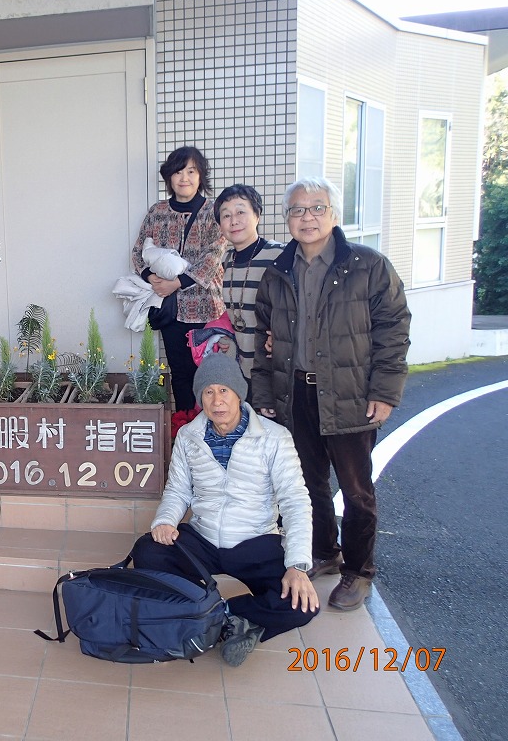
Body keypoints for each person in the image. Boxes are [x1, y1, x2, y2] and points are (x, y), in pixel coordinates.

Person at [251, 176, 411, 611]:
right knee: (307, 483)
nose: (307, 217)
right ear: (287, 219)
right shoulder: (278, 272)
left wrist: (384, 392)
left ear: (334, 214)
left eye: (317, 207)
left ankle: (359, 571)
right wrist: (265, 393)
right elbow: (264, 339)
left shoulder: (368, 266)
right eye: (298, 210)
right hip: (295, 394)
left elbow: (393, 331)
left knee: (357, 490)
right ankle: (324, 550)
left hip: (350, 394)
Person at [131, 351, 319, 667]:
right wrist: (165, 521)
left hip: (255, 542)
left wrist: (298, 565)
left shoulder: (274, 438)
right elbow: (178, 490)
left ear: (238, 394)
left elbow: (295, 501)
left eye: (224, 390)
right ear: (200, 398)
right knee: (148, 551)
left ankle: (219, 614)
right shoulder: (189, 436)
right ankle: (229, 621)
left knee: (303, 604)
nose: (217, 401)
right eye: (208, 392)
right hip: (203, 539)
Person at [131, 146, 226, 428]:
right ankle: (185, 428)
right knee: (180, 371)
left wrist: (177, 283)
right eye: (178, 172)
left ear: (201, 176)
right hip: (170, 308)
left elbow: (215, 254)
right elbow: (138, 251)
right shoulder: (157, 211)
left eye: (191, 171)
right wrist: (150, 277)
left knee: (210, 372)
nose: (184, 178)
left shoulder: (213, 211)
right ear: (169, 177)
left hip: (205, 307)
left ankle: (213, 428)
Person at [213, 184, 284, 380]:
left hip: (274, 368)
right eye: (226, 216)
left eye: (240, 212)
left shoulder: (279, 255)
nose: (233, 221)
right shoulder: (226, 261)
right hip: (242, 369)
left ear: (257, 215)